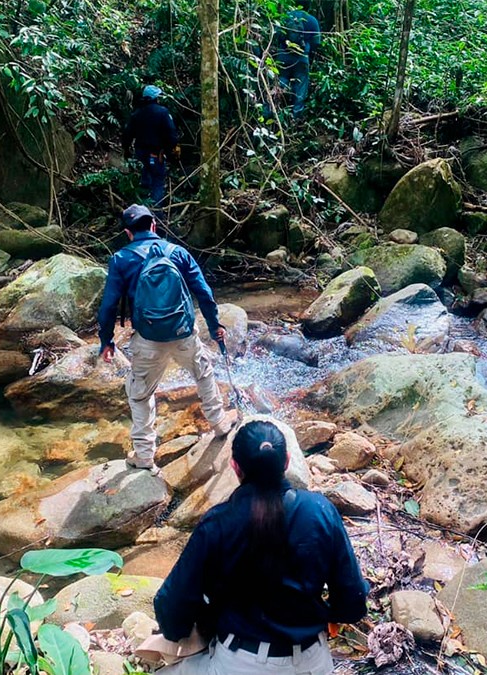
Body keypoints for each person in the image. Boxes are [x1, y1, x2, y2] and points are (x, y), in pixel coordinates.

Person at [154, 419, 369, 675]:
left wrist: (188, 630)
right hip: (311, 662)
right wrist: (331, 615)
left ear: (235, 467)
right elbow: (353, 600)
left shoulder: (217, 523)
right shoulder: (321, 510)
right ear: (287, 461)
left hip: (240, 663)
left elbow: (171, 603)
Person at [97, 204, 235, 471]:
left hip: (148, 339)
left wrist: (107, 341)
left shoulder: (121, 260)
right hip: (184, 334)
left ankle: (145, 456)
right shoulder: (178, 253)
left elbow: (108, 307)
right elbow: (204, 294)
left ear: (128, 233)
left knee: (139, 394)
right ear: (154, 226)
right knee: (203, 373)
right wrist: (215, 325)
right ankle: (219, 423)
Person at [123, 85, 180, 207]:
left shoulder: (137, 113)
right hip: (155, 153)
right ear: (155, 98)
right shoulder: (162, 112)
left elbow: (127, 134)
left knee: (145, 180)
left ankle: (142, 212)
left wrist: (126, 149)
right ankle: (156, 215)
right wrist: (172, 149)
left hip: (140, 153)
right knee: (157, 182)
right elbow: (171, 133)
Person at [273, 10, 321, 117]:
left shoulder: (285, 16)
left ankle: (275, 112)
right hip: (302, 57)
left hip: (283, 55)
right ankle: (296, 117)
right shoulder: (312, 20)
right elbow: (316, 42)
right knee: (300, 87)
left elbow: (277, 36)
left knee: (280, 82)